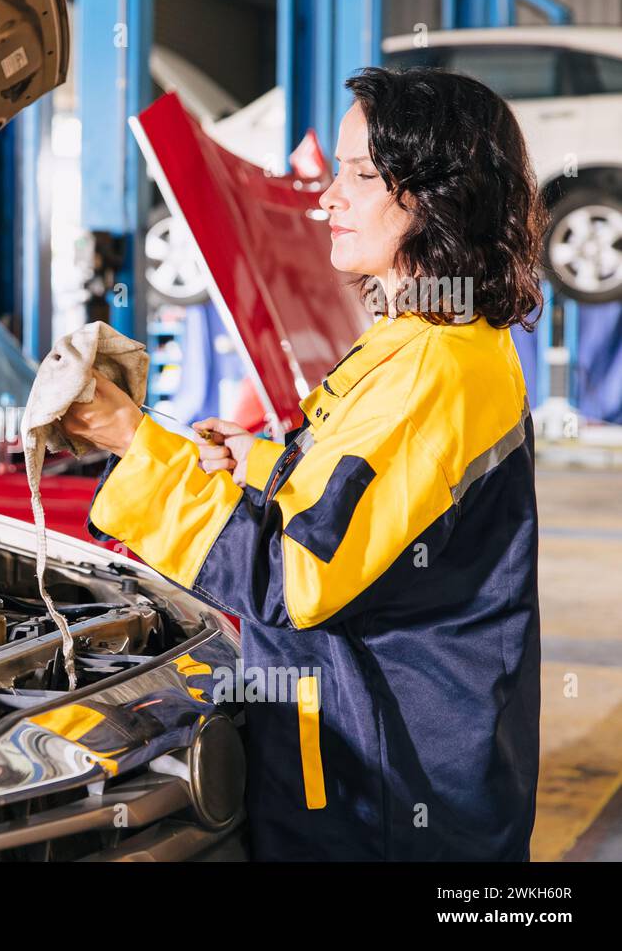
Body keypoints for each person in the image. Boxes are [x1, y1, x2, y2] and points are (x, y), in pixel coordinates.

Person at [63, 66, 545, 860]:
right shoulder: (424, 338)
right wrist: (248, 460)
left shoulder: (434, 370)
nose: (327, 197)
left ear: (434, 193)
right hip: (389, 767)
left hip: (385, 800)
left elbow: (294, 577)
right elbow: (353, 494)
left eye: (359, 174)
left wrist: (133, 446)